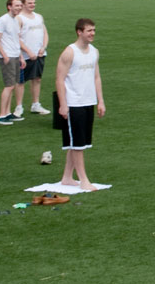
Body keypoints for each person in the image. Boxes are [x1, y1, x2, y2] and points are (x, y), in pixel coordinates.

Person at [53, 18, 106, 190]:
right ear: (79, 32)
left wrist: (100, 101)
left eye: (94, 30)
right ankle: (83, 179)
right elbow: (59, 79)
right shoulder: (69, 52)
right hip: (73, 103)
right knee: (78, 145)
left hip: (88, 101)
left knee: (78, 142)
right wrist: (63, 104)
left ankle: (67, 177)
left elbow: (96, 77)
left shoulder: (94, 52)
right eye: (89, 30)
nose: (92, 33)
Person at [0, 0, 25, 125]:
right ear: (9, 6)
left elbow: (16, 40)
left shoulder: (16, 21)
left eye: (20, 5)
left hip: (15, 55)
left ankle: (8, 113)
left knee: (13, 85)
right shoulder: (2, 20)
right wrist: (5, 56)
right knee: (9, 85)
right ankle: (1, 115)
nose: (19, 8)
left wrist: (21, 57)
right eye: (16, 5)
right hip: (8, 57)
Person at [17, 0, 52, 117]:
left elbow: (45, 33)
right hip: (24, 56)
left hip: (39, 54)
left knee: (37, 79)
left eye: (34, 2)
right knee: (20, 81)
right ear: (23, 4)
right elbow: (16, 38)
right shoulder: (19, 18)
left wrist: (44, 47)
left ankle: (36, 104)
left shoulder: (39, 17)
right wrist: (28, 51)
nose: (32, 5)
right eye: (29, 3)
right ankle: (18, 107)